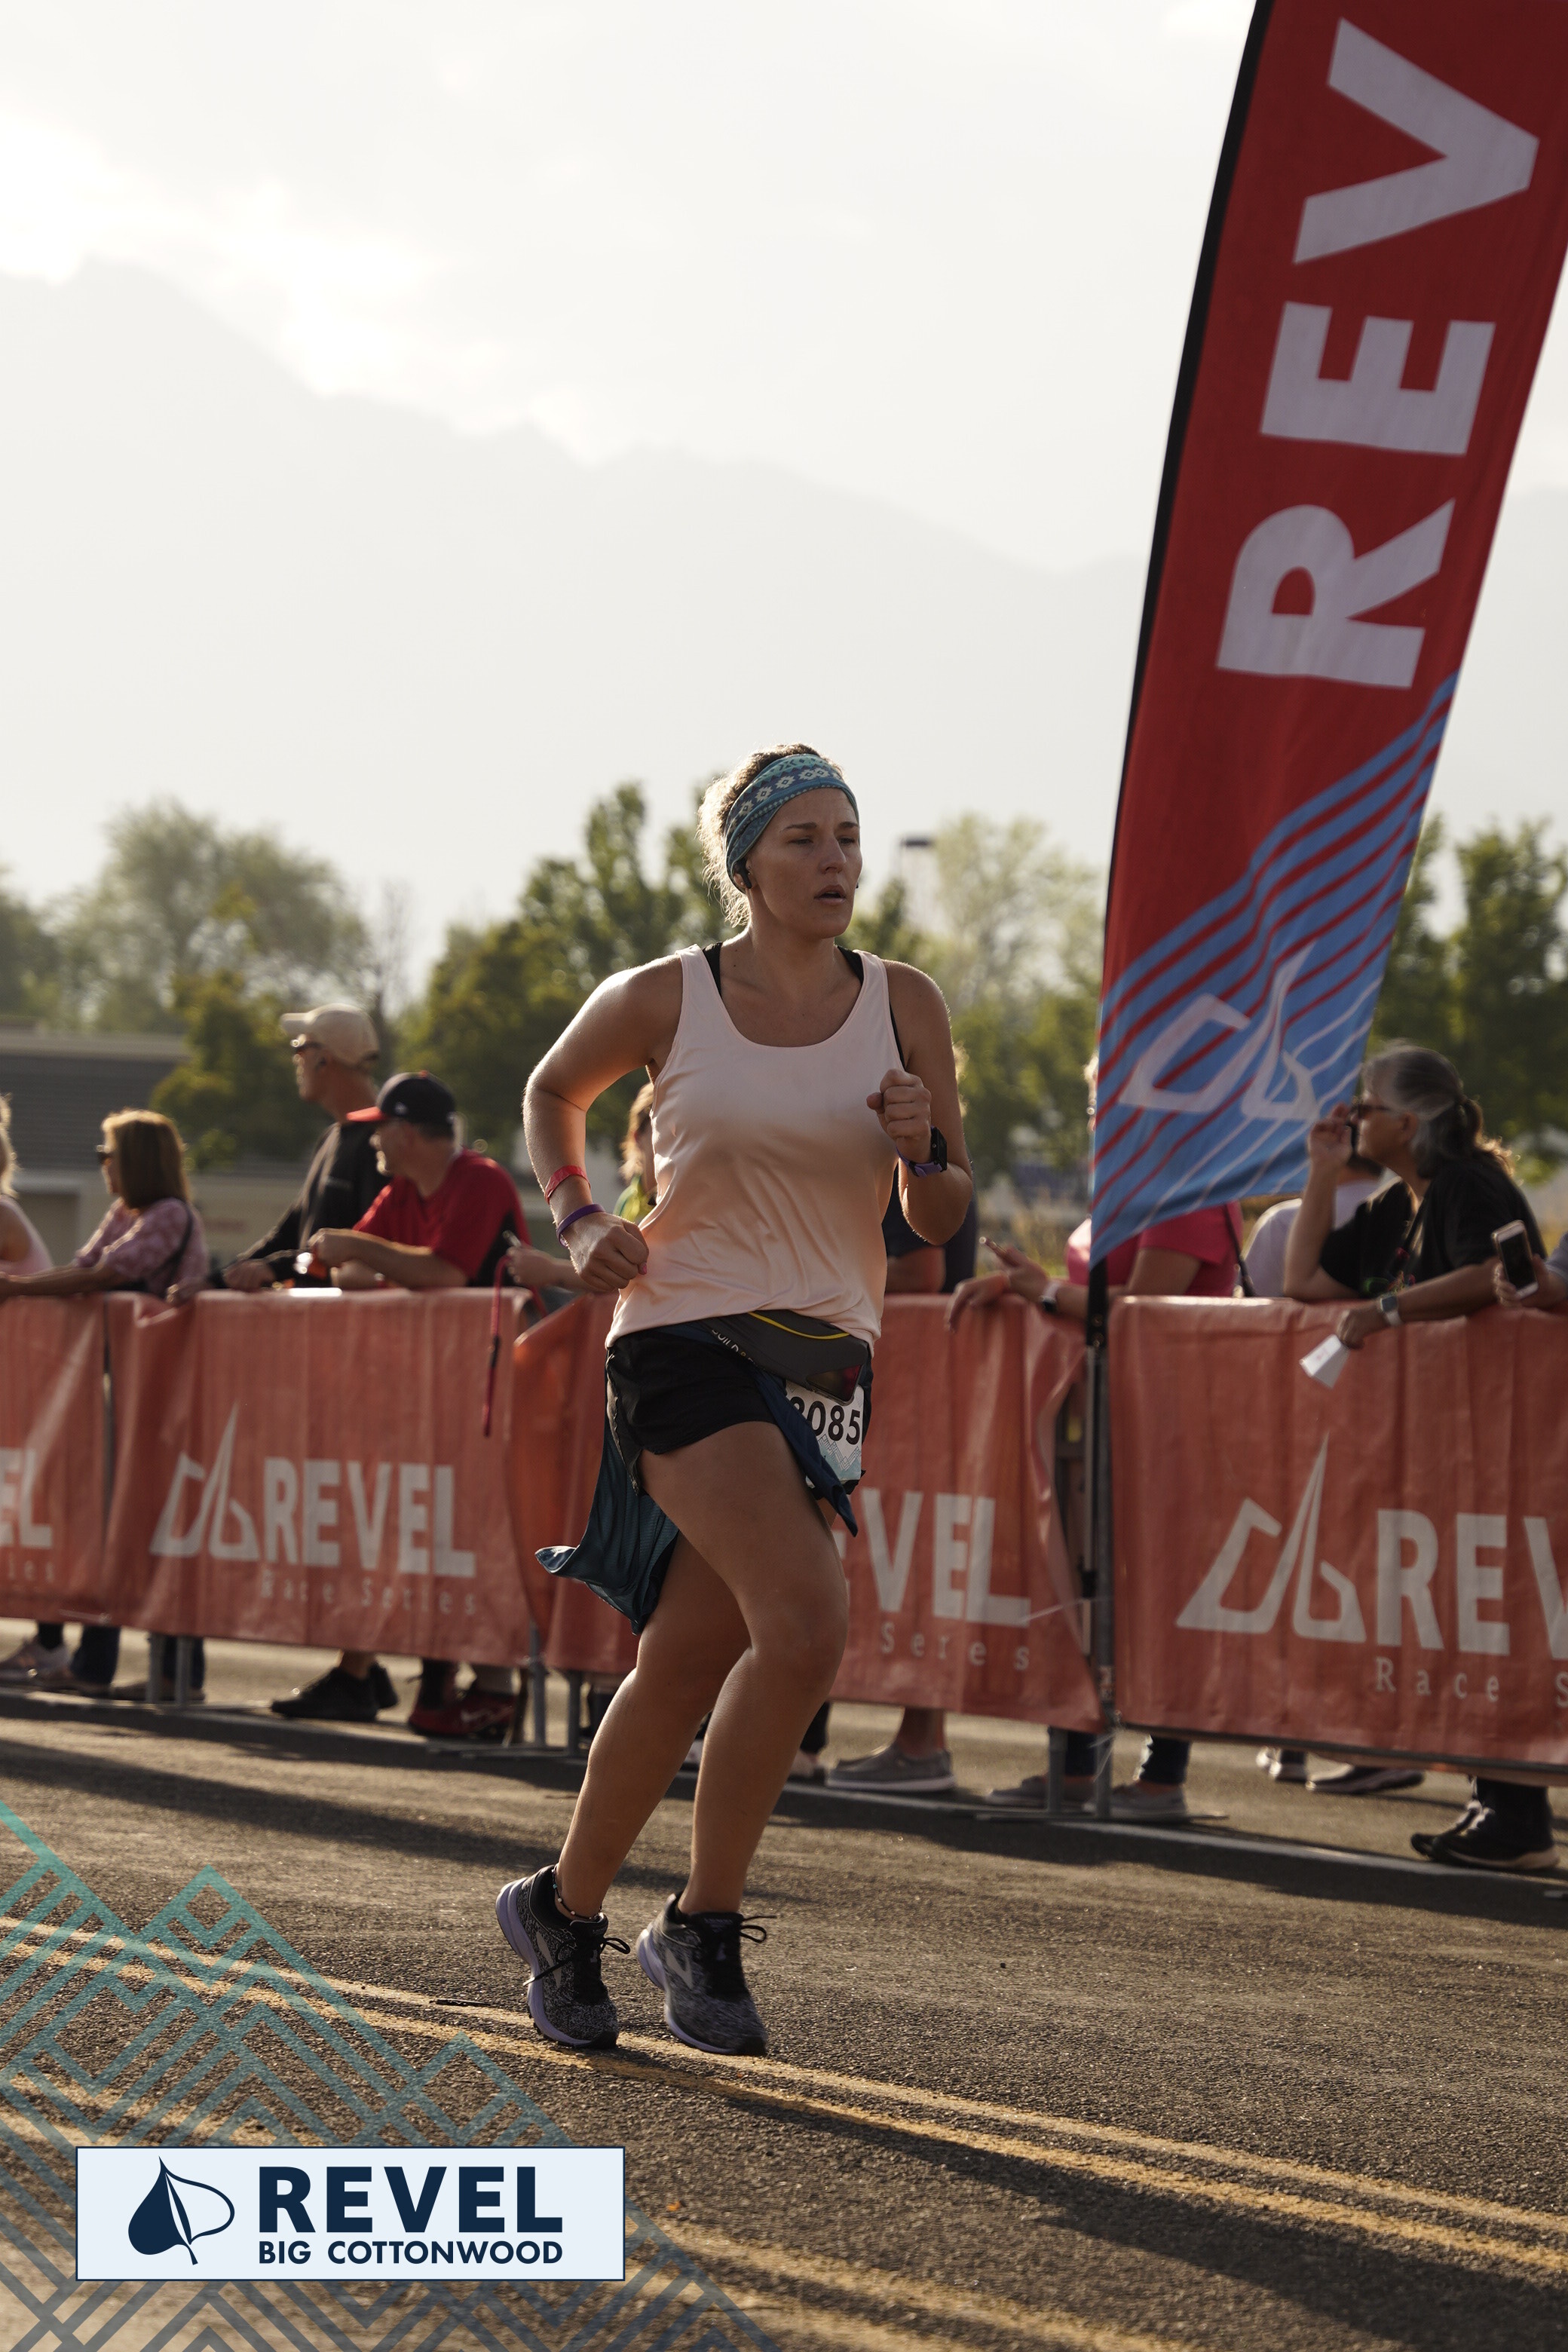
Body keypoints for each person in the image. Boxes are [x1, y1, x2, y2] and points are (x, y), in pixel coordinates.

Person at [493, 742, 973, 2056]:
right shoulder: (670, 995)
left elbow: (941, 1214)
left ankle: (561, 1907)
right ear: (747, 865)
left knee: (693, 1657)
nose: (836, 861)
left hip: (821, 1362)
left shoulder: (906, 1002)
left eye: (848, 837)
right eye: (805, 839)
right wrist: (580, 1215)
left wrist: (922, 1148)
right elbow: (552, 1090)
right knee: (808, 1624)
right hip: (684, 1334)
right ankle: (702, 1921)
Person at [1286, 1043, 1556, 1871]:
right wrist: (1323, 1172)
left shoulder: (1469, 1184)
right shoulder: (1394, 1203)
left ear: (1408, 1122)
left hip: (1505, 1441)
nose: (1353, 1118)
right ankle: (1497, 1802)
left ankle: (1517, 1810)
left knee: (1503, 1615)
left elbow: (1495, 1274)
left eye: (1365, 1107)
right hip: (1441, 1448)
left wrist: (1390, 1311)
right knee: (1466, 1619)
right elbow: (1305, 1282)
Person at [945, 1188, 1242, 1821]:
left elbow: (1138, 1309)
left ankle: (1161, 1776)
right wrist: (1025, 1286)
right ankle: (1078, 1763)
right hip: (1102, 1416)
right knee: (1082, 1581)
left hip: (1173, 1418)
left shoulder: (1190, 1193)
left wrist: (1044, 1292)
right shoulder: (1132, 1185)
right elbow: (1099, 1296)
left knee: (1163, 1590)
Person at [268, 1069, 538, 1737]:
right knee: (428, 1530)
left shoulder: (478, 1179)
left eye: (381, 1130)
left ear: (409, 1132)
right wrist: (379, 1262)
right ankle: (427, 1673)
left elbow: (441, 1272)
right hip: (434, 1395)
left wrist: (367, 1252)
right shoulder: (402, 1190)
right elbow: (348, 1272)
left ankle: (496, 1688)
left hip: (504, 1394)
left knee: (483, 1534)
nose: (374, 1144)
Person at [0, 1110, 208, 1699]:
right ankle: (100, 1663)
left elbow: (105, 1274)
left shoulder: (170, 1216)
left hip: (166, 1398)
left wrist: (17, 1289)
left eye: (108, 1155)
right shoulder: (126, 1213)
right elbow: (85, 1265)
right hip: (126, 1394)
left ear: (136, 1160)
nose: (103, 1167)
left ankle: (175, 1672)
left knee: (160, 1527)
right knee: (113, 1527)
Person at [825, 1181, 979, 1796]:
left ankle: (921, 1742)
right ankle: (919, 1742)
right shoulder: (903, 1157)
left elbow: (921, 1272)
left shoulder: (903, 1158)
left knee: (914, 1559)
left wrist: (815, 1273)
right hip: (900, 1386)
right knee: (909, 1558)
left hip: (907, 1389)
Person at [1245, 1150, 1387, 1790]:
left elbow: (1250, 1315)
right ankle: (1368, 1733)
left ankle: (1299, 1730)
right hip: (1387, 1427)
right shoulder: (1404, 1211)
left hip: (1301, 1420)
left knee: (1305, 1577)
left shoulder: (1288, 1221)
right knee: (1367, 1579)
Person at [219, 1003, 387, 1291]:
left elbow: (368, 1250)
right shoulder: (330, 1138)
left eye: (300, 1047)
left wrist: (273, 1268)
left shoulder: (382, 1145)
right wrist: (216, 1280)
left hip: (350, 1319)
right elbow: (287, 1235)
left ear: (324, 1059)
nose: (296, 1059)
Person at [0, 1098, 67, 1686]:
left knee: (34, 1510)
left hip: (25, 1387)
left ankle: (51, 1642)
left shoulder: (1, 1212)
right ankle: (49, 1640)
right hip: (18, 1386)